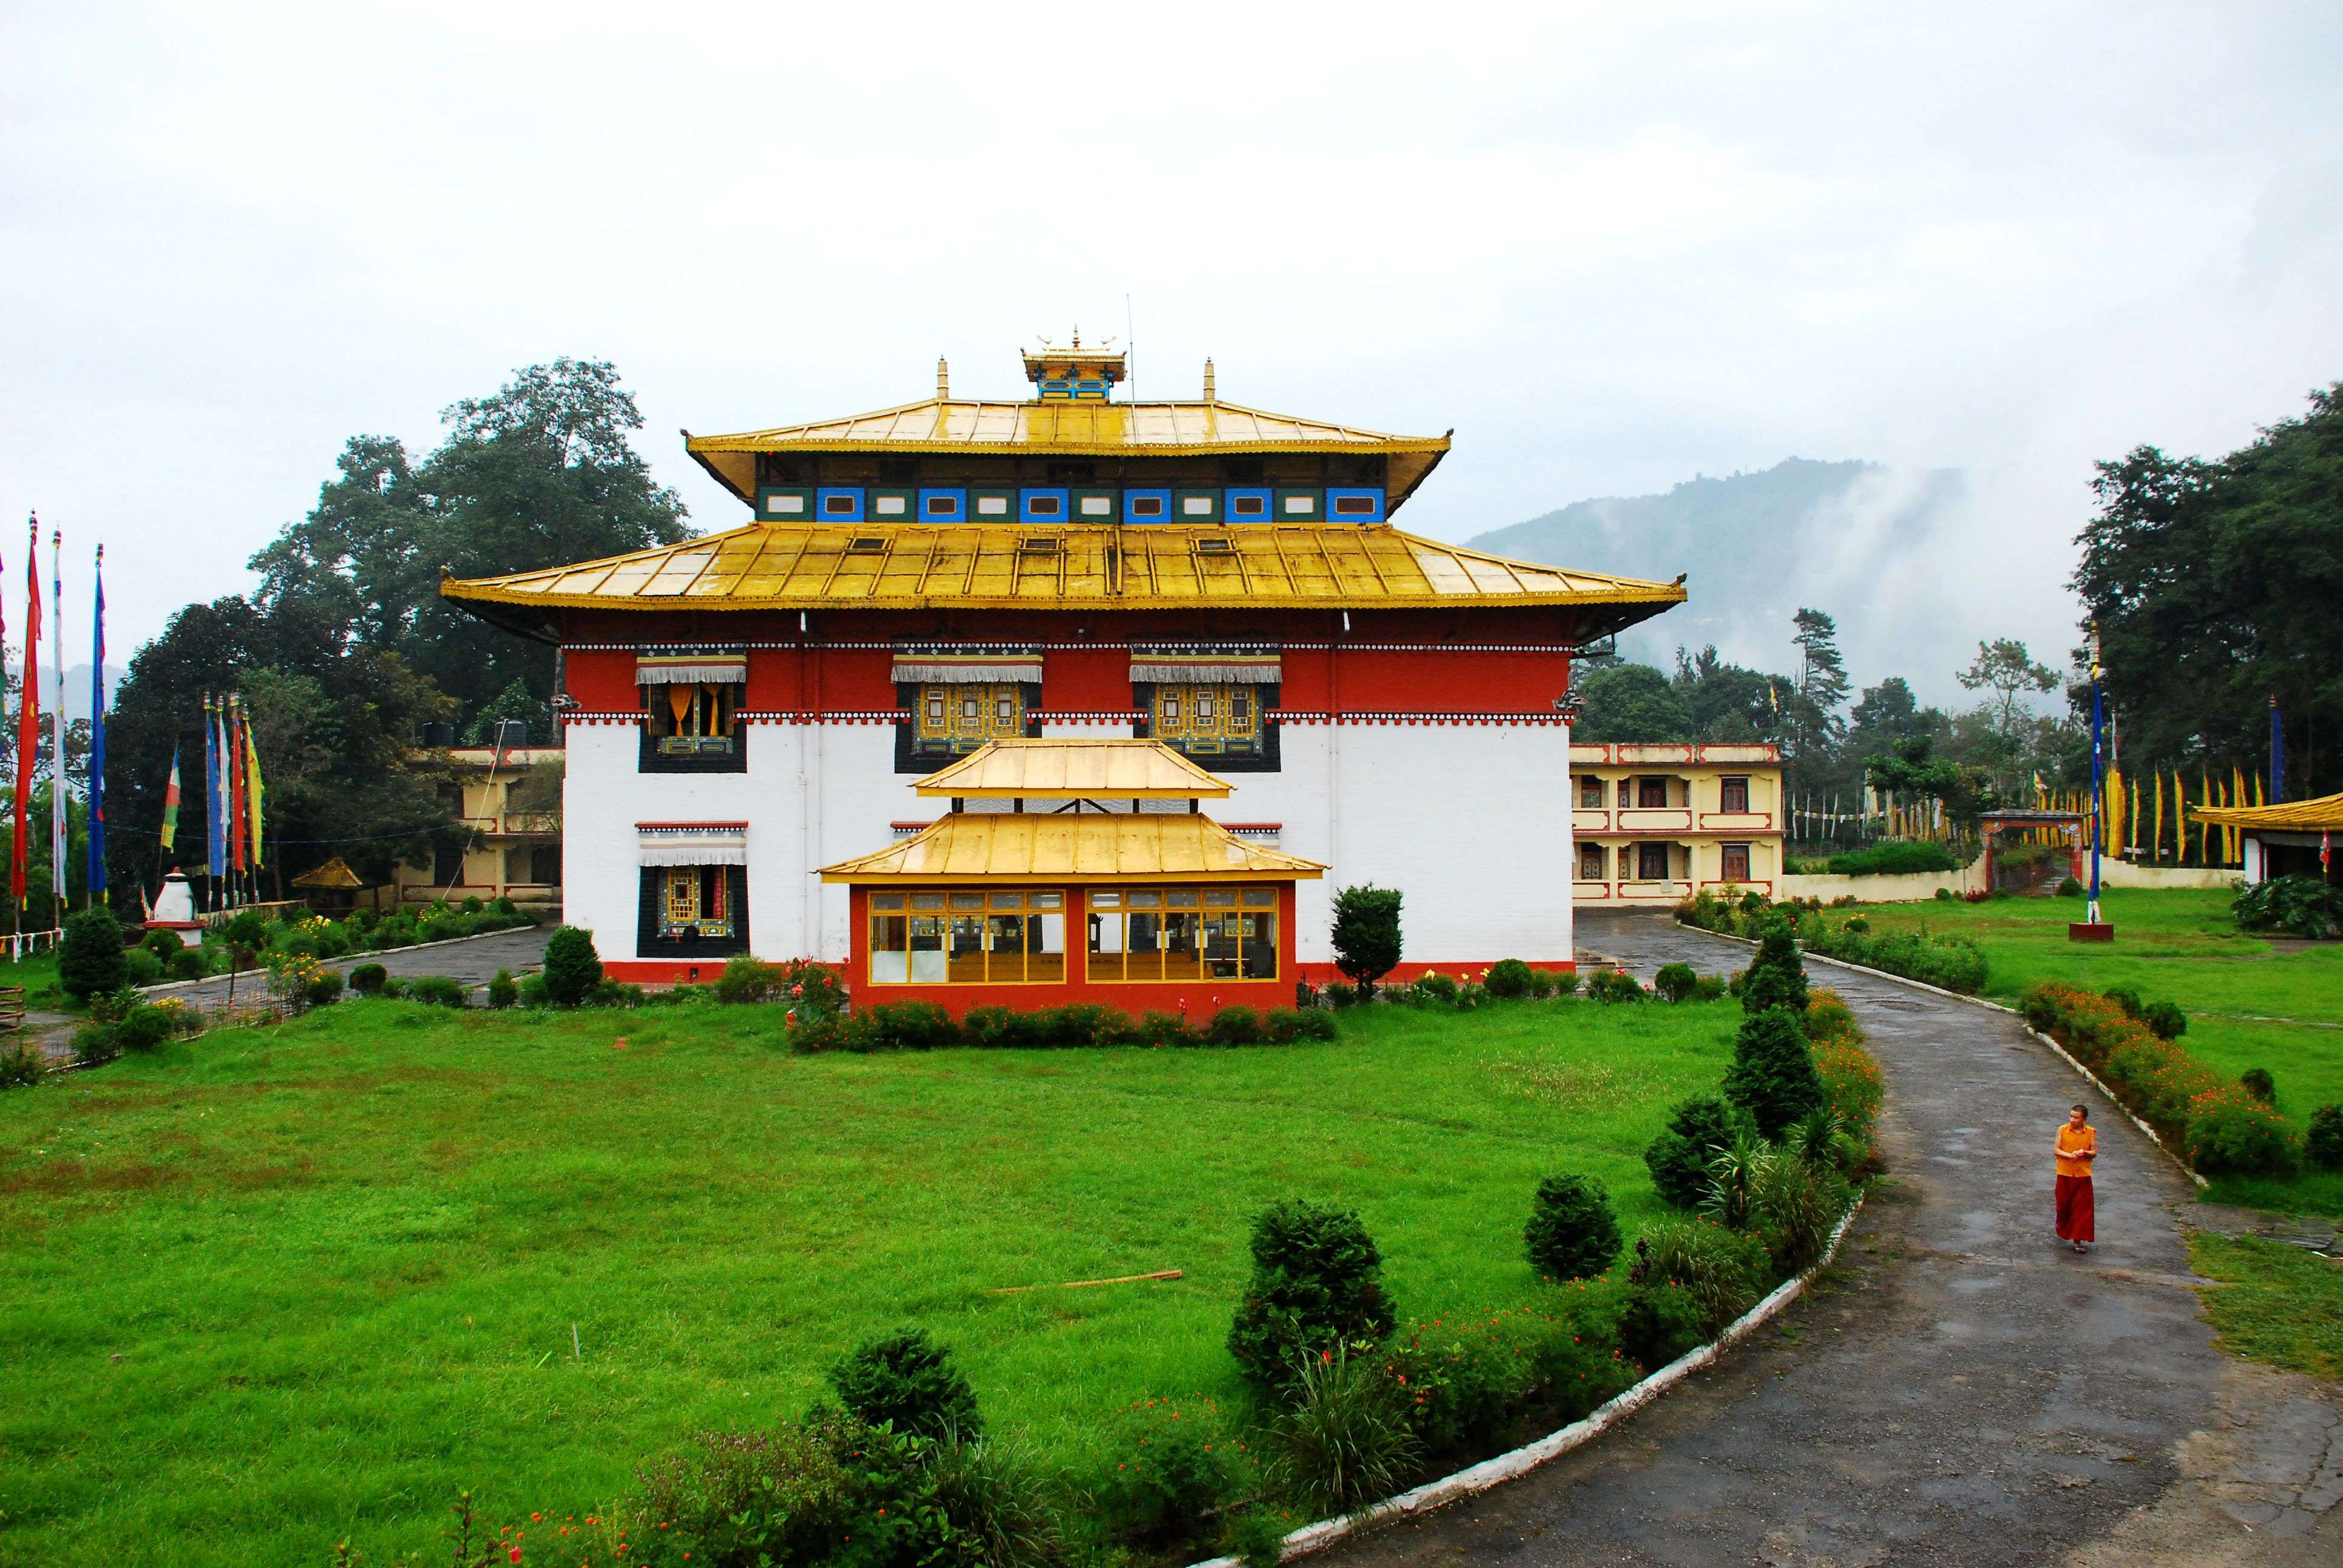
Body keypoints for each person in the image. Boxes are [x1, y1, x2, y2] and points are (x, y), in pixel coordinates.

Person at [2054, 1103, 2097, 1253]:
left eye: (2076, 1117)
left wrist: (2084, 1153)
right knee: (2063, 1206)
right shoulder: (2063, 1130)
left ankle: (2078, 1240)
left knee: (2082, 1209)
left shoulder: (2091, 1133)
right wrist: (2070, 1155)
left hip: (2083, 1175)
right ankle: (2064, 1230)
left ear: (2084, 1119)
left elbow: (2094, 1152)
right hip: (2064, 1173)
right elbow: (2056, 1150)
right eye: (2071, 1116)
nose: (2073, 1120)